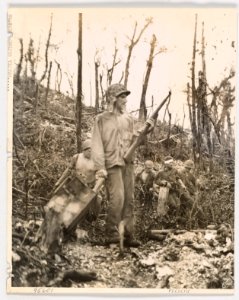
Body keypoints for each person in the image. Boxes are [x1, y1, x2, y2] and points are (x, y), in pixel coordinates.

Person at [91, 83, 154, 246]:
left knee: (129, 199)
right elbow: (96, 145)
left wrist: (146, 131)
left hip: (128, 163)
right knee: (117, 198)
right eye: (122, 96)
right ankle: (111, 233)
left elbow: (136, 141)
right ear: (113, 99)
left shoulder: (129, 119)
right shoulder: (101, 119)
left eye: (126, 96)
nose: (125, 100)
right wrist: (100, 167)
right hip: (111, 163)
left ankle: (127, 235)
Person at [54, 139, 102, 221]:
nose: (91, 153)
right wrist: (59, 182)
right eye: (89, 151)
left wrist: (95, 189)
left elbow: (100, 175)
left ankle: (93, 219)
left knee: (98, 200)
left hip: (89, 187)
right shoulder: (76, 157)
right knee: (63, 198)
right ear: (84, 150)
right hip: (75, 184)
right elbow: (68, 170)